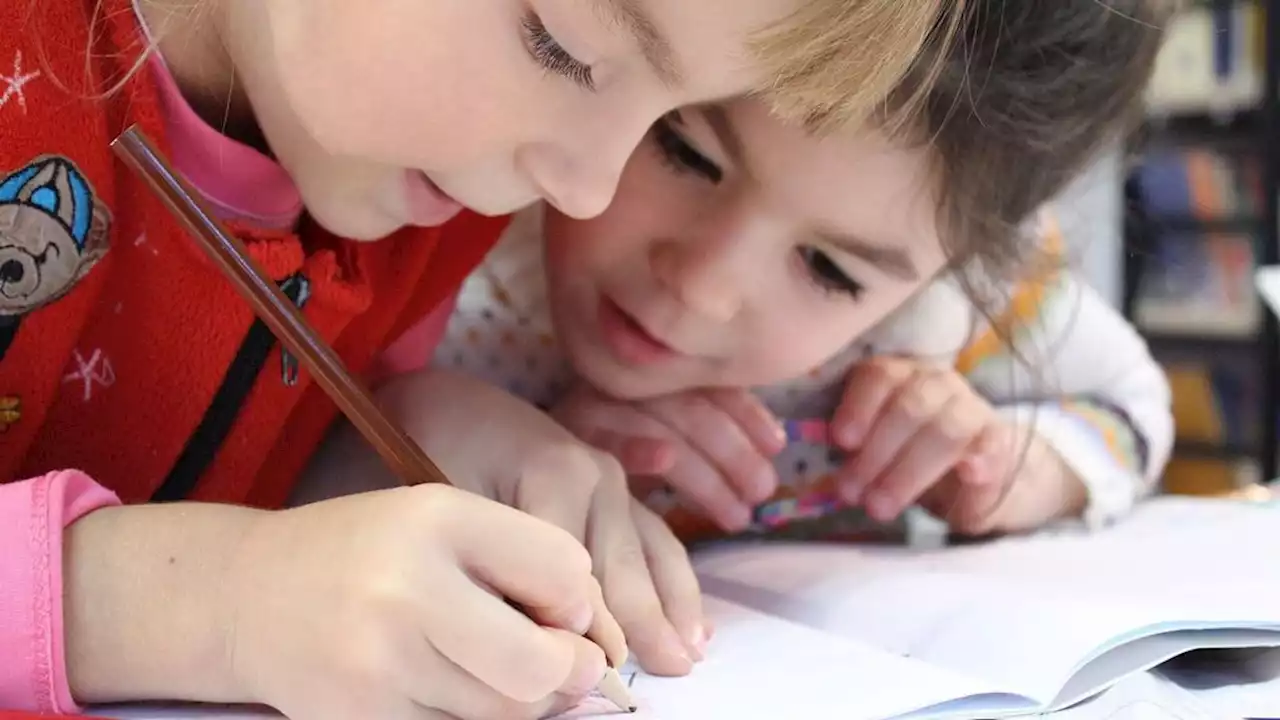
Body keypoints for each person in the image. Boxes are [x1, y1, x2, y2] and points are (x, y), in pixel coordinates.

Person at [0, 0, 963, 718]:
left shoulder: (418, 201)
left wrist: (392, 440)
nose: (587, 191)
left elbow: (223, 471)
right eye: (565, 46)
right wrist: (214, 605)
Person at [431, 0, 1176, 548]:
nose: (702, 286)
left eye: (829, 269)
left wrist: (1015, 468)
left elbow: (1134, 406)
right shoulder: (453, 217)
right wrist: (501, 452)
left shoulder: (949, 310)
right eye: (684, 153)